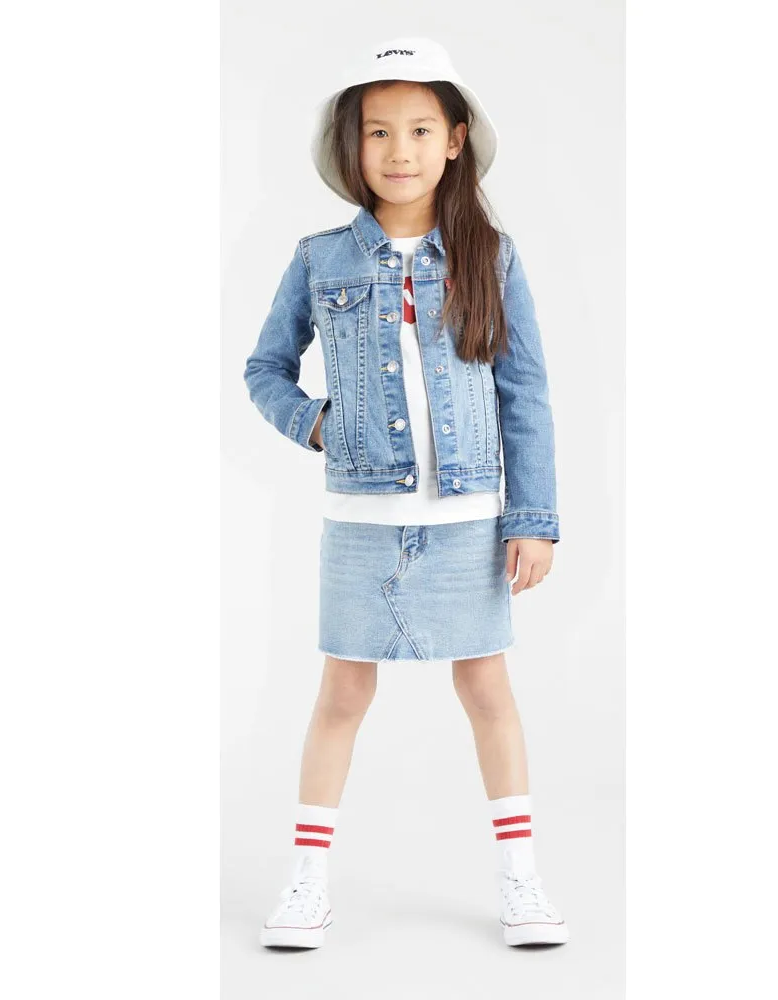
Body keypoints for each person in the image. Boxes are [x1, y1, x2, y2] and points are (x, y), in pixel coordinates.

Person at [243, 36, 566, 949]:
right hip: (360, 523)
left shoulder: (491, 257)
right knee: (343, 694)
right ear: (351, 145)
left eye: (421, 129)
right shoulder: (321, 259)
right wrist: (316, 424)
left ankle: (521, 879)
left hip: (469, 521)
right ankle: (308, 881)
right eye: (378, 131)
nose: (399, 150)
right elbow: (265, 368)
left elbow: (525, 394)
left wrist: (534, 519)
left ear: (456, 140)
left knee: (488, 689)